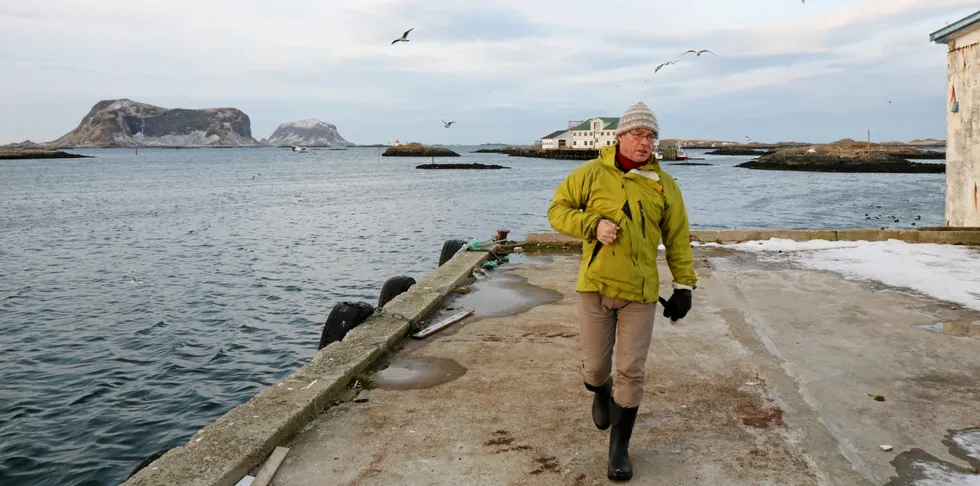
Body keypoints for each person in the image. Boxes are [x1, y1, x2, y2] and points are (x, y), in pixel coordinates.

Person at [547, 101, 697, 481]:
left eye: (651, 136)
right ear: (620, 137)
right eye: (638, 134)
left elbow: (678, 239)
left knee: (631, 369)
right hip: (595, 286)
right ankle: (600, 391)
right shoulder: (590, 174)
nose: (645, 142)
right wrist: (592, 224)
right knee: (595, 367)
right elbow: (557, 211)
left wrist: (684, 287)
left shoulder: (665, 185)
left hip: (640, 292)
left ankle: (619, 448)